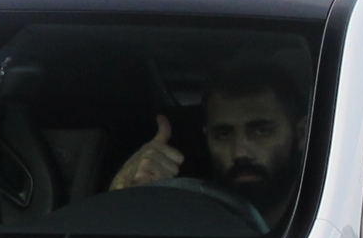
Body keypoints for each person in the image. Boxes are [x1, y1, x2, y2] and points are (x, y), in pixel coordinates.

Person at [108, 72, 310, 219]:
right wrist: (125, 197)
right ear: (207, 138)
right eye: (223, 135)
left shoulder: (328, 222)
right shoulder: (181, 222)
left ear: (301, 134)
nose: (240, 152)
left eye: (261, 131)